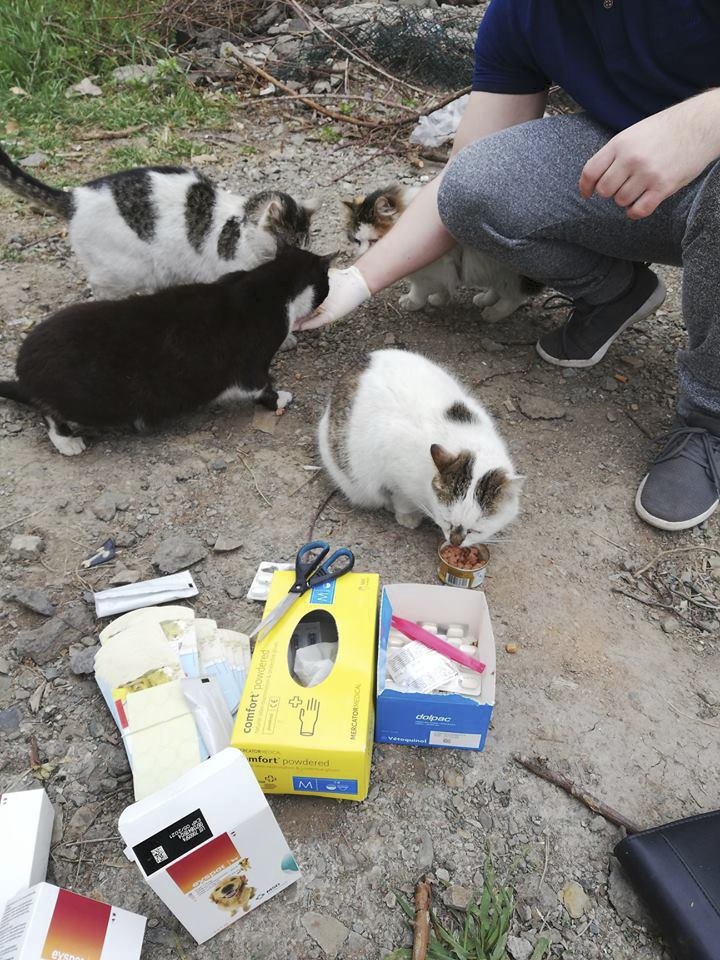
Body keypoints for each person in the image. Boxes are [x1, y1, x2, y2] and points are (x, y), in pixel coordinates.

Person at [297, 1, 720, 533]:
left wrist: (703, 122)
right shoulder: (525, 11)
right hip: (631, 176)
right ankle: (616, 292)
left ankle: (710, 415)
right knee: (475, 187)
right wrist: (357, 281)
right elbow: (460, 180)